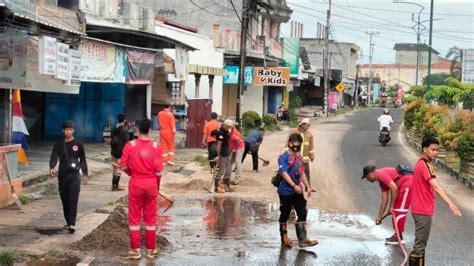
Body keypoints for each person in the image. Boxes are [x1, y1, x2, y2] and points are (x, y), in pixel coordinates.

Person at [409, 136, 462, 265]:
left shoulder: (420, 163)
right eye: (433, 150)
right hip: (422, 210)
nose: (436, 153)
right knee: (419, 247)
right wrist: (451, 204)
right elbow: (436, 186)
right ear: (425, 149)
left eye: (437, 150)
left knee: (420, 245)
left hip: (420, 209)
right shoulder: (424, 165)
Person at [119, 119, 164, 260]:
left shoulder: (130, 145)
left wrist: (131, 174)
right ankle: (151, 250)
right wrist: (156, 186)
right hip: (151, 183)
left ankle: (135, 250)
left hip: (136, 183)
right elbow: (159, 171)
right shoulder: (156, 147)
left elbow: (122, 165)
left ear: (137, 129)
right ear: (150, 130)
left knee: (134, 217)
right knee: (150, 217)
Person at [278, 133, 317, 248]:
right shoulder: (283, 157)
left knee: (302, 211)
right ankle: (284, 236)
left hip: (297, 190)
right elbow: (284, 173)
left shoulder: (299, 156)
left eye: (299, 143)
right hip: (285, 191)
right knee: (285, 214)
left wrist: (307, 186)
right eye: (295, 143)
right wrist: (293, 185)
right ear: (290, 143)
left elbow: (302, 172)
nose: (297, 145)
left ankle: (303, 239)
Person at [49, 120, 88, 233]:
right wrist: (52, 167)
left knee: (73, 198)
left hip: (74, 176)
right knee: (64, 198)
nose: (68, 132)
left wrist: (85, 174)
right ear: (63, 131)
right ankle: (68, 221)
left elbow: (83, 160)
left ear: (73, 131)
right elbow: (54, 156)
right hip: (62, 175)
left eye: (70, 130)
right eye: (66, 130)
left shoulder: (78, 144)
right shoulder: (59, 144)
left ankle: (72, 223)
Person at [361, 165, 413, 244]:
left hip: (408, 183)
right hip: (404, 185)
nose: (368, 180)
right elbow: (384, 200)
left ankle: (399, 236)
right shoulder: (381, 182)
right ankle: (398, 235)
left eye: (367, 178)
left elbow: (394, 188)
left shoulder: (381, 174)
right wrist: (379, 217)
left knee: (399, 210)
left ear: (370, 174)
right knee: (395, 210)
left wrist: (391, 206)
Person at [288, 118, 316, 192]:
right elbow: (288, 143)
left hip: (305, 159)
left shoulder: (310, 134)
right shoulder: (294, 132)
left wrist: (312, 155)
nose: (308, 127)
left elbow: (311, 146)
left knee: (306, 173)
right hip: (295, 157)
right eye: (307, 125)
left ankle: (308, 187)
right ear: (302, 124)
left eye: (309, 125)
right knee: (293, 172)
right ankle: (292, 186)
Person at [110, 113, 129, 191]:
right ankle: (115, 186)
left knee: (115, 169)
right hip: (120, 152)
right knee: (118, 170)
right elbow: (126, 143)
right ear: (125, 120)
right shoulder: (124, 130)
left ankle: (114, 185)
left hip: (114, 151)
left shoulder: (114, 128)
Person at [215, 119, 233, 193]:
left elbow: (228, 141)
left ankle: (226, 185)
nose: (229, 128)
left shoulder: (227, 131)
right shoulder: (221, 132)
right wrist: (218, 156)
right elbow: (219, 145)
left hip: (227, 153)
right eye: (228, 126)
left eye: (230, 127)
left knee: (229, 169)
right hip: (222, 154)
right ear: (225, 125)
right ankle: (216, 187)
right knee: (221, 170)